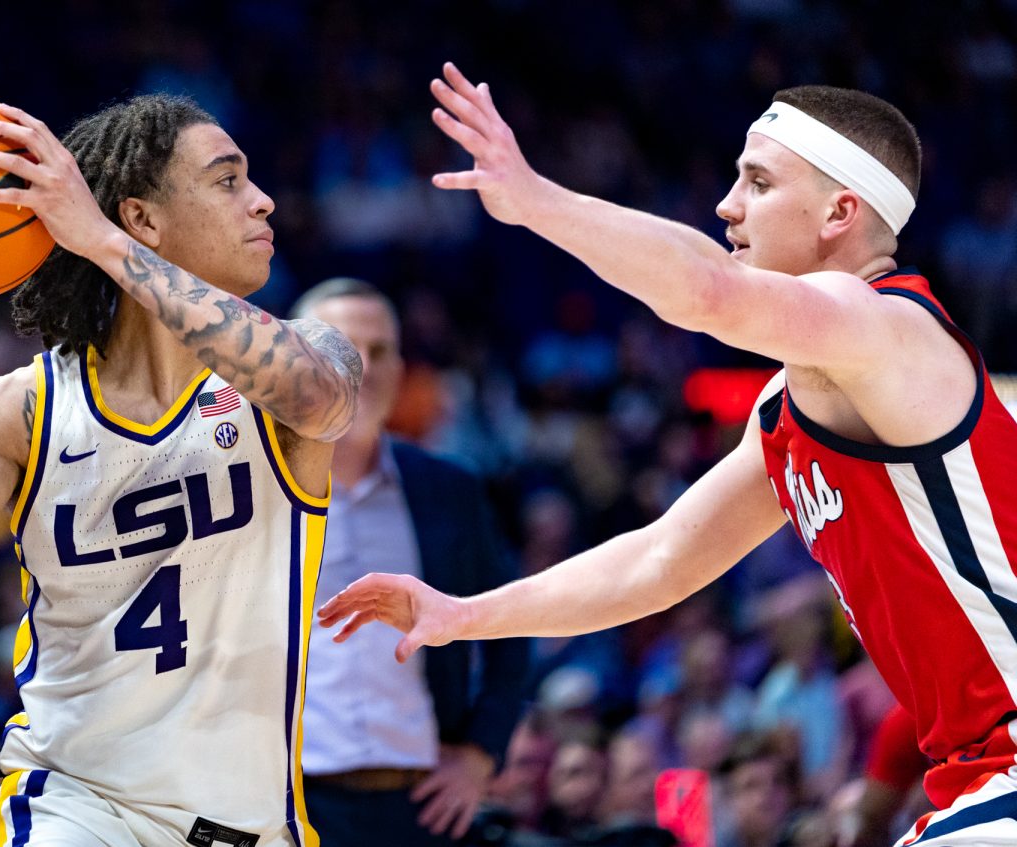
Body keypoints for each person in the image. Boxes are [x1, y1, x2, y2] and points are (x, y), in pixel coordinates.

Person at [319, 63, 1017, 846]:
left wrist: (536, 200)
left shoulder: (888, 327)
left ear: (840, 212)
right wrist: (462, 615)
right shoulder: (789, 408)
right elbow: (656, 562)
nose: (728, 205)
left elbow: (709, 293)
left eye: (757, 181)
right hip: (977, 773)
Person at [0, 94, 361, 847]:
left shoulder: (303, 358)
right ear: (143, 218)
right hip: (70, 806)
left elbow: (318, 401)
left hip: (248, 823)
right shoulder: (22, 409)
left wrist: (97, 238)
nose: (262, 201)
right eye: (227, 180)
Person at [291, 277, 526, 846]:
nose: (366, 369)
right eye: (345, 350)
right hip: (286, 802)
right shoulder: (247, 492)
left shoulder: (449, 489)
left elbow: (512, 629)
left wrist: (480, 754)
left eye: (381, 351)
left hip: (421, 806)